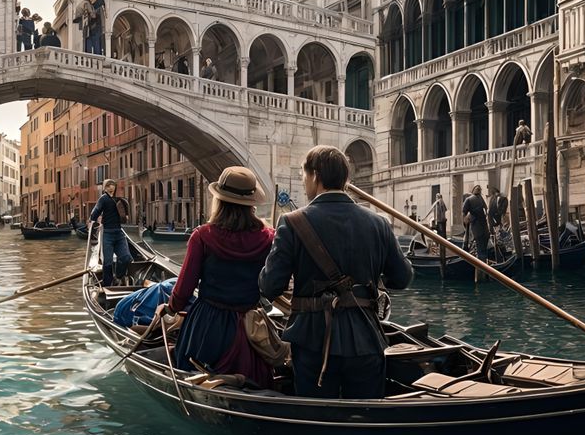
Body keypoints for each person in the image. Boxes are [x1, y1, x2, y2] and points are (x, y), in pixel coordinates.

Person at [260, 146, 412, 399]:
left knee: (315, 415)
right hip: (365, 338)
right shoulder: (378, 223)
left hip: (312, 340)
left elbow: (270, 286)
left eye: (304, 175)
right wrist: (368, 280)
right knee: (366, 414)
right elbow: (402, 278)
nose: (304, 182)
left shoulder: (292, 222)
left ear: (315, 176)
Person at [160, 166, 278, 383]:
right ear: (251, 203)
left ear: (219, 200)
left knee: (190, 367)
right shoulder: (269, 238)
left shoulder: (202, 236)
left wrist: (170, 308)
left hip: (208, 326)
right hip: (250, 325)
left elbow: (184, 289)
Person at [91, 179, 133, 286]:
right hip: (107, 234)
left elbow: (126, 216)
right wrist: (94, 218)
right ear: (104, 188)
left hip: (119, 233)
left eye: (112, 185)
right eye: (108, 185)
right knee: (108, 263)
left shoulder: (120, 199)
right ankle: (107, 285)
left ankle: (118, 277)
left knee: (126, 258)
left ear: (115, 187)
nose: (111, 187)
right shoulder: (103, 199)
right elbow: (93, 215)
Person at [461, 184, 490, 258]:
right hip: (482, 226)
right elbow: (486, 210)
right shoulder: (479, 199)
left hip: (478, 226)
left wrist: (466, 221)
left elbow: (464, 213)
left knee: (480, 245)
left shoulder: (470, 199)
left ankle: (480, 260)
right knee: (482, 246)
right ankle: (482, 260)